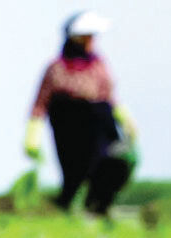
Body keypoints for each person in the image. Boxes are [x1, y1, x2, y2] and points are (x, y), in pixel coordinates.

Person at [24, 10, 138, 216]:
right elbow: (40, 103)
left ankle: (98, 207)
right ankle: (65, 207)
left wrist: (127, 120)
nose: (92, 41)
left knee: (114, 164)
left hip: (101, 125)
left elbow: (109, 97)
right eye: (88, 37)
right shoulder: (56, 69)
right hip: (69, 127)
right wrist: (33, 134)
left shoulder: (98, 66)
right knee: (74, 173)